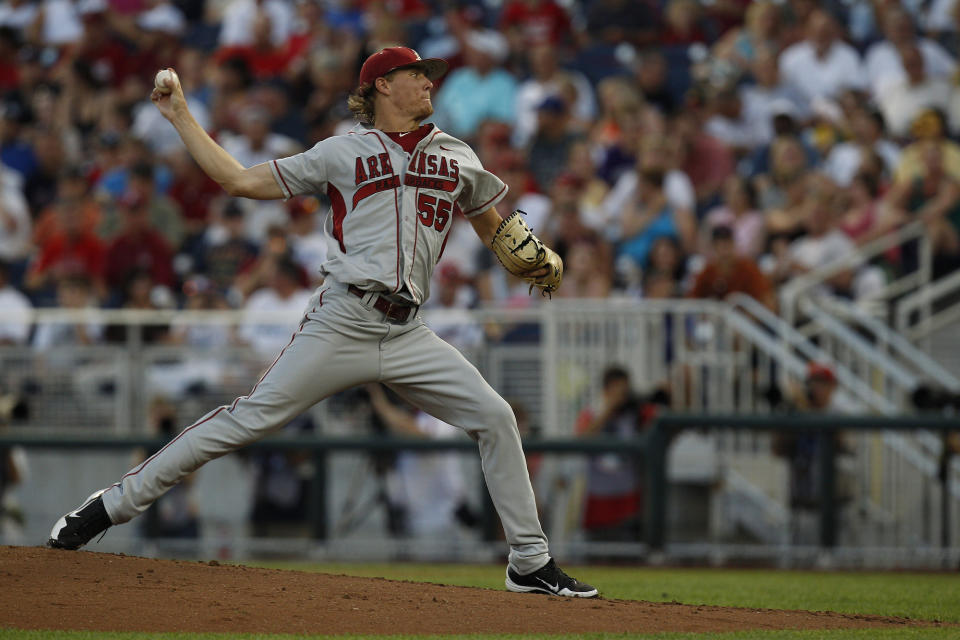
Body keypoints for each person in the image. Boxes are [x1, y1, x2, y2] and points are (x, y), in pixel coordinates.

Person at [47, 46, 596, 598]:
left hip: (408, 331)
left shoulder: (457, 154)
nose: (430, 84)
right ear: (382, 86)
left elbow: (492, 225)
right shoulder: (341, 152)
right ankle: (108, 506)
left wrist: (530, 256)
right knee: (245, 420)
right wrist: (182, 117)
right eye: (417, 75)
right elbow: (240, 181)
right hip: (343, 319)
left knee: (496, 417)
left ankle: (529, 561)